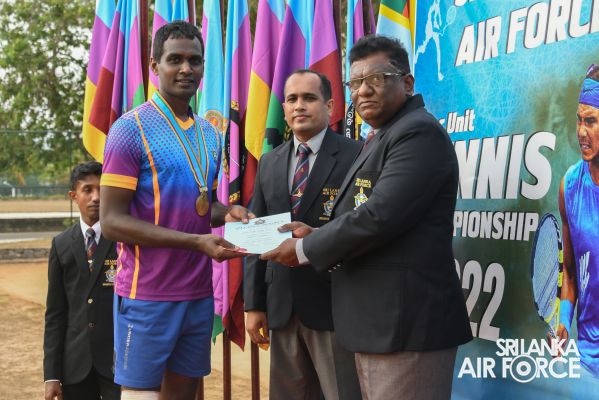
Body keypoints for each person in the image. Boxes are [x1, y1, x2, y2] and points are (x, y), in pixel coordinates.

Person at [261, 35, 472, 400]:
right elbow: (362, 213)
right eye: (355, 82)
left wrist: (304, 248)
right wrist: (315, 231)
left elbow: (379, 216)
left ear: (407, 82)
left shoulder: (417, 133)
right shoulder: (382, 136)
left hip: (406, 326)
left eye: (376, 78)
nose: (363, 90)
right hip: (376, 324)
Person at [100, 21, 251, 400]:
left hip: (198, 293)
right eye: (175, 60)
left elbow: (200, 206)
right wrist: (195, 243)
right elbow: (112, 222)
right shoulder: (129, 129)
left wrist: (226, 213)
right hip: (147, 294)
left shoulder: (210, 134)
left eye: (195, 61)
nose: (186, 69)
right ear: (155, 66)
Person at [244, 69, 362, 400]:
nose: (299, 106)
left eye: (309, 98)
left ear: (330, 106)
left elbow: (361, 227)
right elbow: (257, 234)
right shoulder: (269, 162)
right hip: (281, 305)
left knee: (341, 393)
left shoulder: (356, 155)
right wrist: (254, 305)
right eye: (292, 99)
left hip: (334, 303)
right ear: (283, 108)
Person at [43, 161, 120, 400]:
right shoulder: (61, 244)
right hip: (75, 365)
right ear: (73, 196)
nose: (96, 197)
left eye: (102, 189)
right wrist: (52, 375)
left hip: (117, 362)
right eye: (88, 190)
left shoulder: (123, 240)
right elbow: (55, 314)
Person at [557, 64, 599, 378]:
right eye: (579, 120)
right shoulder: (569, 186)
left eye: (592, 121)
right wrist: (563, 321)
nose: (581, 132)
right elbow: (570, 271)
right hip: (587, 359)